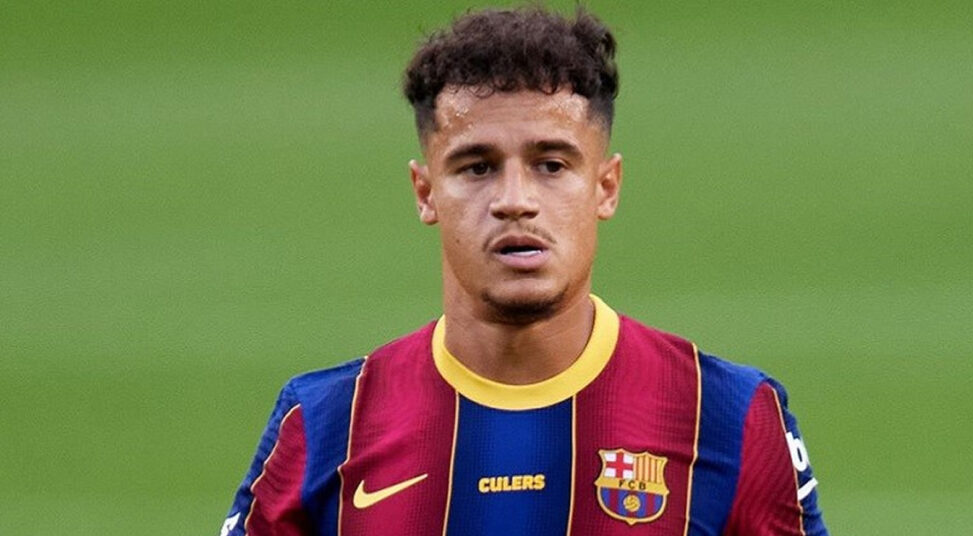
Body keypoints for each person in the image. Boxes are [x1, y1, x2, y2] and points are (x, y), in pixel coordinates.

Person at [222, 7, 827, 536]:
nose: (515, 200)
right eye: (477, 167)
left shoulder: (726, 415)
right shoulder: (326, 424)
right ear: (426, 192)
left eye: (551, 165)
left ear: (606, 186)